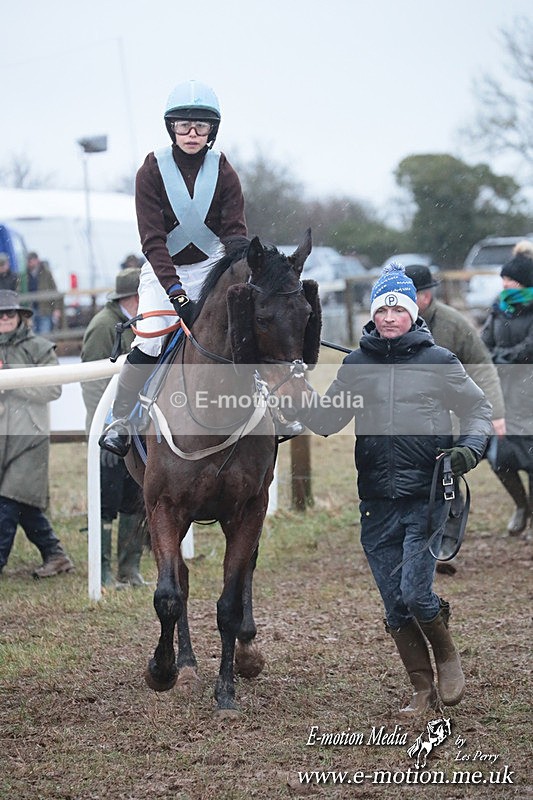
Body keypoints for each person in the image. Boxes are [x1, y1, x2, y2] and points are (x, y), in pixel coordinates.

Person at [293, 265, 492, 714]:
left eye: (396, 308)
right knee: (394, 604)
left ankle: (447, 656)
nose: (388, 316)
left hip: (428, 496)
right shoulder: (357, 366)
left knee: (415, 593)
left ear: (411, 312)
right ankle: (421, 688)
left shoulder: (439, 361)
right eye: (381, 308)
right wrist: (294, 394)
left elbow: (478, 409)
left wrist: (469, 449)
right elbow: (326, 421)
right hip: (376, 502)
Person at [100, 79, 248, 458]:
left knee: (240, 334)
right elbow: (152, 241)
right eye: (184, 125)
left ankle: (267, 412)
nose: (193, 133)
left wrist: (240, 275)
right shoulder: (151, 171)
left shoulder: (225, 172)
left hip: (212, 267)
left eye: (201, 125)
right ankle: (120, 420)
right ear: (171, 127)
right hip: (163, 268)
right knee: (149, 337)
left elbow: (234, 234)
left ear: (213, 130)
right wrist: (176, 293)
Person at [405, 263, 506, 574]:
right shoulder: (394, 324)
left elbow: (483, 368)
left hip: (448, 418)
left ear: (422, 297)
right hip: (408, 420)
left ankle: (446, 541)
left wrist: (497, 415)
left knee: (447, 476)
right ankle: (413, 540)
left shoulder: (453, 324)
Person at [81, 268, 148, 588]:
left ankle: (129, 569)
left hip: (135, 426)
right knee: (107, 501)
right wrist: (106, 430)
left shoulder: (140, 324)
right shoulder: (103, 327)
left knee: (134, 496)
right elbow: (93, 384)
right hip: (109, 428)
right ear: (135, 298)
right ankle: (104, 572)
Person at [0, 290, 74, 577]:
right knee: (21, 502)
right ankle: (55, 555)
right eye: (0, 313)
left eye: (9, 313)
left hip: (29, 437)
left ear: (20, 316)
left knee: (8, 500)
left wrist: (14, 384)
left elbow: (52, 388)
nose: (4, 318)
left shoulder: (39, 348)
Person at [480, 244, 533, 537]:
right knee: (500, 459)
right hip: (503, 394)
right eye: (503, 280)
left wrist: (503, 357)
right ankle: (521, 505)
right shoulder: (498, 308)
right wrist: (491, 356)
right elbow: (484, 341)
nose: (505, 285)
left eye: (510, 280)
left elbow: (530, 348)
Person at [19, 251, 62, 334]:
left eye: (31, 260)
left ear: (36, 260)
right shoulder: (23, 276)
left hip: (45, 308)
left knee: (45, 334)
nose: (29, 263)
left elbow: (54, 291)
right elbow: (20, 291)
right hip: (30, 310)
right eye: (28, 260)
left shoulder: (46, 273)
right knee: (32, 334)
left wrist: (56, 308)